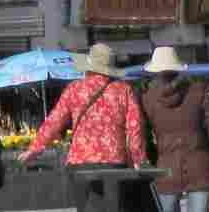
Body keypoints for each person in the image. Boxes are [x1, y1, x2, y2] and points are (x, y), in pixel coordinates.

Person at [24, 44, 147, 212]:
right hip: (113, 161)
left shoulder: (75, 89)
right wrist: (138, 159)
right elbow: (135, 127)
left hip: (80, 161)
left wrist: (35, 147)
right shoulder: (123, 90)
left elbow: (55, 120)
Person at [140, 47, 209, 212]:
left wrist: (153, 154)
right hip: (198, 162)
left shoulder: (147, 98)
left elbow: (142, 132)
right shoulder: (198, 90)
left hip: (165, 165)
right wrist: (203, 140)